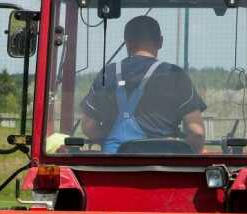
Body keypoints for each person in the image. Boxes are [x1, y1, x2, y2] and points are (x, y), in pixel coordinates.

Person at [81, 15, 206, 153]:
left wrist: (112, 137)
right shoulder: (175, 75)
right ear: (160, 42)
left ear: (127, 42)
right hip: (162, 168)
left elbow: (88, 126)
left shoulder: (108, 73)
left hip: (114, 168)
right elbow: (197, 132)